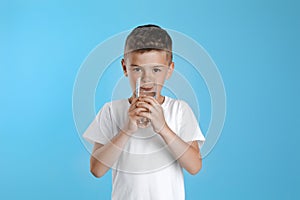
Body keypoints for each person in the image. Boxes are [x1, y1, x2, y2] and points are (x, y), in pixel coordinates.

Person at [83, 24, 205, 200]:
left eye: (156, 70)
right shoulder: (110, 111)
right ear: (125, 68)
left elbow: (194, 166)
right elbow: (96, 169)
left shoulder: (179, 110)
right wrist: (127, 130)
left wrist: (163, 128)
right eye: (137, 69)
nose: (147, 79)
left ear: (169, 69)